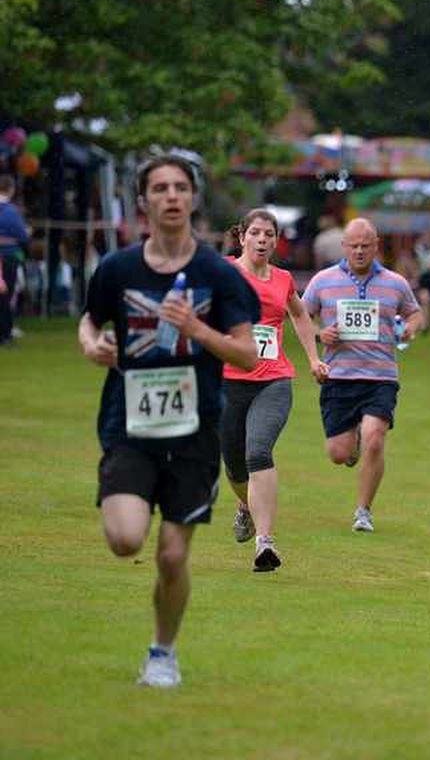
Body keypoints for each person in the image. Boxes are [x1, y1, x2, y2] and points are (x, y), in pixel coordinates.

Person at [78, 155, 260, 686]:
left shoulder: (217, 275)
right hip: (129, 426)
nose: (172, 196)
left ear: (195, 199)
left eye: (181, 187)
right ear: (145, 201)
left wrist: (197, 330)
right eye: (160, 188)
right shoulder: (117, 269)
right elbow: (89, 324)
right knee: (126, 540)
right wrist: (94, 346)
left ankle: (163, 653)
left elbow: (248, 355)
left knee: (174, 555)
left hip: (195, 430)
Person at [221, 209, 328, 571]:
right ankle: (245, 505)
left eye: (269, 234)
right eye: (256, 233)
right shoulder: (224, 272)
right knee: (234, 467)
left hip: (274, 379)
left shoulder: (283, 279)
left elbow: (298, 314)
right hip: (228, 381)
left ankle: (264, 543)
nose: (263, 239)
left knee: (258, 453)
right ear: (242, 237)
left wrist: (313, 358)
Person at [302, 217, 422, 533]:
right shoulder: (323, 281)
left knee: (375, 438)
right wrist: (319, 333)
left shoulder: (395, 282)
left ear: (376, 246)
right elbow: (301, 316)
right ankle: (351, 442)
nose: (358, 251)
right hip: (339, 377)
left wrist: (410, 328)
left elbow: (415, 311)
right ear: (343, 246)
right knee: (338, 454)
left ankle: (363, 511)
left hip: (380, 376)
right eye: (353, 245)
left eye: (365, 246)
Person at [0, 174, 30, 347]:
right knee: (6, 296)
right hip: (8, 257)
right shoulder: (11, 211)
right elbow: (23, 236)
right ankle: (5, 334)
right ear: (10, 189)